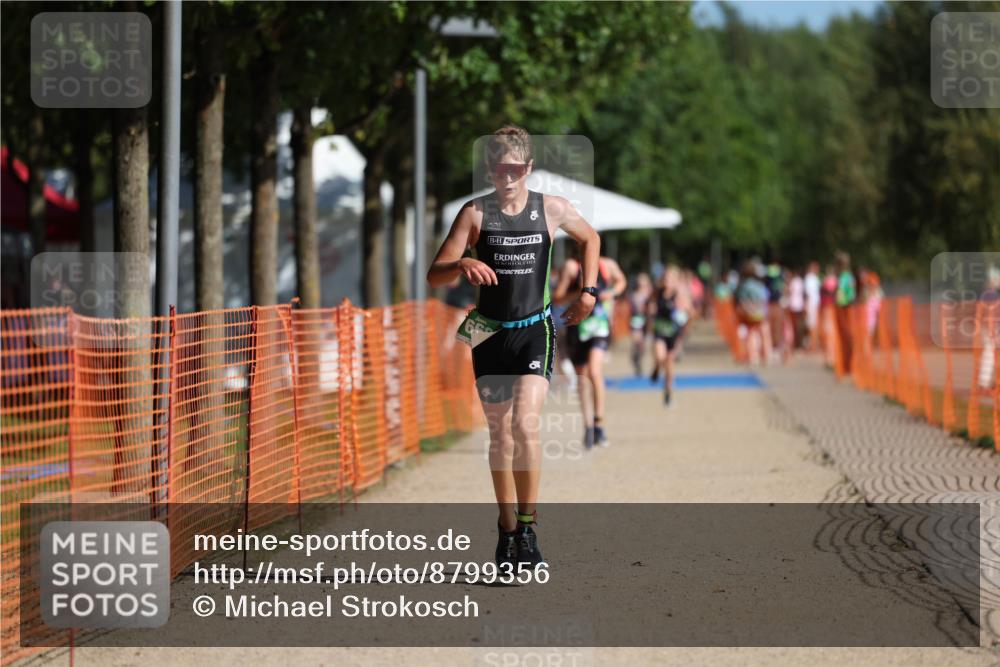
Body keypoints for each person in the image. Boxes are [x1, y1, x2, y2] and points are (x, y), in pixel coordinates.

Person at [427, 125, 599, 568]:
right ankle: (506, 530)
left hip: (533, 330)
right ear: (489, 169)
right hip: (488, 333)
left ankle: (528, 527)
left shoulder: (552, 209)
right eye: (500, 169)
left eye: (516, 170)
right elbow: (436, 274)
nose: (507, 179)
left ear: (529, 169)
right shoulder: (474, 214)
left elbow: (591, 239)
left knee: (524, 424)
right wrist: (462, 261)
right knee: (500, 435)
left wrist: (589, 291)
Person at [552, 242, 627, 449]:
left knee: (594, 372)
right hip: (577, 328)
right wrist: (579, 294)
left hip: (599, 326)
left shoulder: (606, 265)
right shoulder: (571, 267)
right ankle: (587, 427)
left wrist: (611, 293)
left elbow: (621, 281)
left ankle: (599, 423)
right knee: (582, 379)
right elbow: (557, 298)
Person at [647, 266, 692, 405]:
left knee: (669, 363)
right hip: (660, 330)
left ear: (676, 281)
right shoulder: (657, 292)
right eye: (665, 278)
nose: (667, 281)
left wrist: (684, 315)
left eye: (671, 279)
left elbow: (690, 313)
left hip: (674, 333)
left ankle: (668, 392)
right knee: (661, 357)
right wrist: (650, 313)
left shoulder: (679, 295)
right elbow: (649, 306)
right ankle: (656, 367)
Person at [735, 260, 771, 366]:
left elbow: (742, 300)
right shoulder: (758, 285)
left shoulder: (744, 285)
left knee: (751, 334)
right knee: (764, 333)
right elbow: (764, 298)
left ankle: (753, 356)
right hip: (760, 311)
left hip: (750, 311)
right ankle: (766, 355)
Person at [834, 251, 857, 373]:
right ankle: (846, 365)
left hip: (844, 308)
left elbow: (844, 294)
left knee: (847, 337)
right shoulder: (847, 276)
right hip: (845, 307)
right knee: (846, 337)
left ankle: (847, 365)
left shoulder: (845, 277)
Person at [628, 272, 654, 377]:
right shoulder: (633, 294)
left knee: (643, 345)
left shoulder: (650, 294)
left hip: (646, 321)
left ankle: (638, 359)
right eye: (640, 282)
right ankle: (635, 356)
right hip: (635, 320)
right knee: (637, 341)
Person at [803, 261, 821, 351]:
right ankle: (811, 345)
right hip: (811, 304)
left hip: (814, 304)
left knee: (814, 324)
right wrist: (807, 305)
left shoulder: (814, 278)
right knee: (811, 325)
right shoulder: (809, 278)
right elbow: (808, 294)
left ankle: (813, 344)